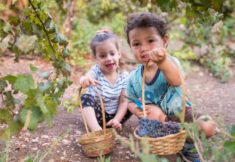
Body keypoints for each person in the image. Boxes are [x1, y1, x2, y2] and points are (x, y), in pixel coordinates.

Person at [125, 12, 216, 162]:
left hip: (183, 114)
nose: (143, 48)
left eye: (150, 40)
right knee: (144, 137)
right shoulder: (134, 78)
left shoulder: (170, 63)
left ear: (164, 41)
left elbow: (175, 80)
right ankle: (170, 143)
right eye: (136, 44)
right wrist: (137, 110)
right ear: (130, 46)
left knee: (208, 126)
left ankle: (186, 141)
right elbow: (130, 100)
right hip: (158, 123)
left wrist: (162, 61)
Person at [79, 29, 131, 132]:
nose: (108, 58)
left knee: (131, 101)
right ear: (96, 59)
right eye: (103, 56)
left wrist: (117, 119)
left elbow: (123, 102)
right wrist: (85, 79)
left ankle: (114, 124)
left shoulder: (124, 76)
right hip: (99, 115)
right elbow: (86, 77)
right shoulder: (96, 71)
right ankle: (96, 130)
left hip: (117, 115)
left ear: (118, 54)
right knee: (85, 97)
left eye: (112, 54)